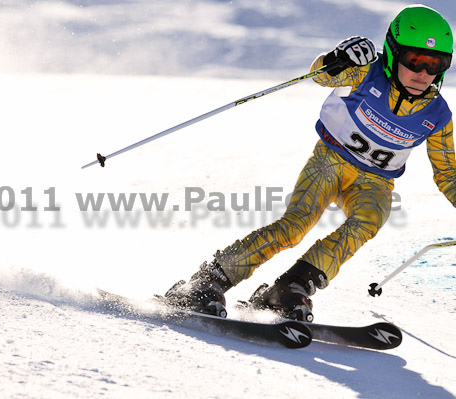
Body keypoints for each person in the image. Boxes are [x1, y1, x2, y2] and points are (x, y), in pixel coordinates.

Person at [163, 4, 456, 322]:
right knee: (294, 226)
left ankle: (290, 287)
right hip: (330, 161)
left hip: (374, 180)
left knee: (370, 219)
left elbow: (448, 172)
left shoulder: (438, 116)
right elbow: (321, 74)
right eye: (415, 61)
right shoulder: (365, 72)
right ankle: (207, 281)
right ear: (393, 52)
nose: (423, 74)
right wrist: (338, 56)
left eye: (435, 65)